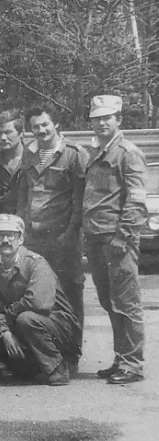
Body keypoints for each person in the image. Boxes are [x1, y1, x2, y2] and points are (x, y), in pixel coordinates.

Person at [84, 95, 148, 384]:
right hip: (96, 237)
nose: (100, 123)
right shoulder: (96, 151)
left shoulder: (127, 153)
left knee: (127, 303)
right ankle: (121, 358)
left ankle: (133, 364)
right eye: (96, 118)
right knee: (109, 301)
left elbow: (136, 201)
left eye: (106, 118)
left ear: (118, 119)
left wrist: (123, 237)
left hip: (117, 239)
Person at [17, 103, 87, 363]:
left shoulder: (73, 155)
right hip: (34, 239)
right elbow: (24, 194)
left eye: (45, 124)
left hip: (62, 238)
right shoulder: (28, 154)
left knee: (69, 294)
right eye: (35, 126)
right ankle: (44, 353)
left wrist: (70, 233)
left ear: (56, 124)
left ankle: (71, 354)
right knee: (39, 295)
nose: (41, 130)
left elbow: (79, 200)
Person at [0, 214, 80, 386]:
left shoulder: (36, 263)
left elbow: (38, 303)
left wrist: (9, 315)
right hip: (20, 324)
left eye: (11, 235)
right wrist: (5, 332)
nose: (5, 240)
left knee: (26, 319)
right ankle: (21, 368)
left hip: (57, 324)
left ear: (21, 239)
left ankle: (58, 368)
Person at [0, 110, 25, 216]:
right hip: (0, 220)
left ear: (21, 133)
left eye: (8, 132)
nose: (3, 138)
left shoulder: (33, 160)